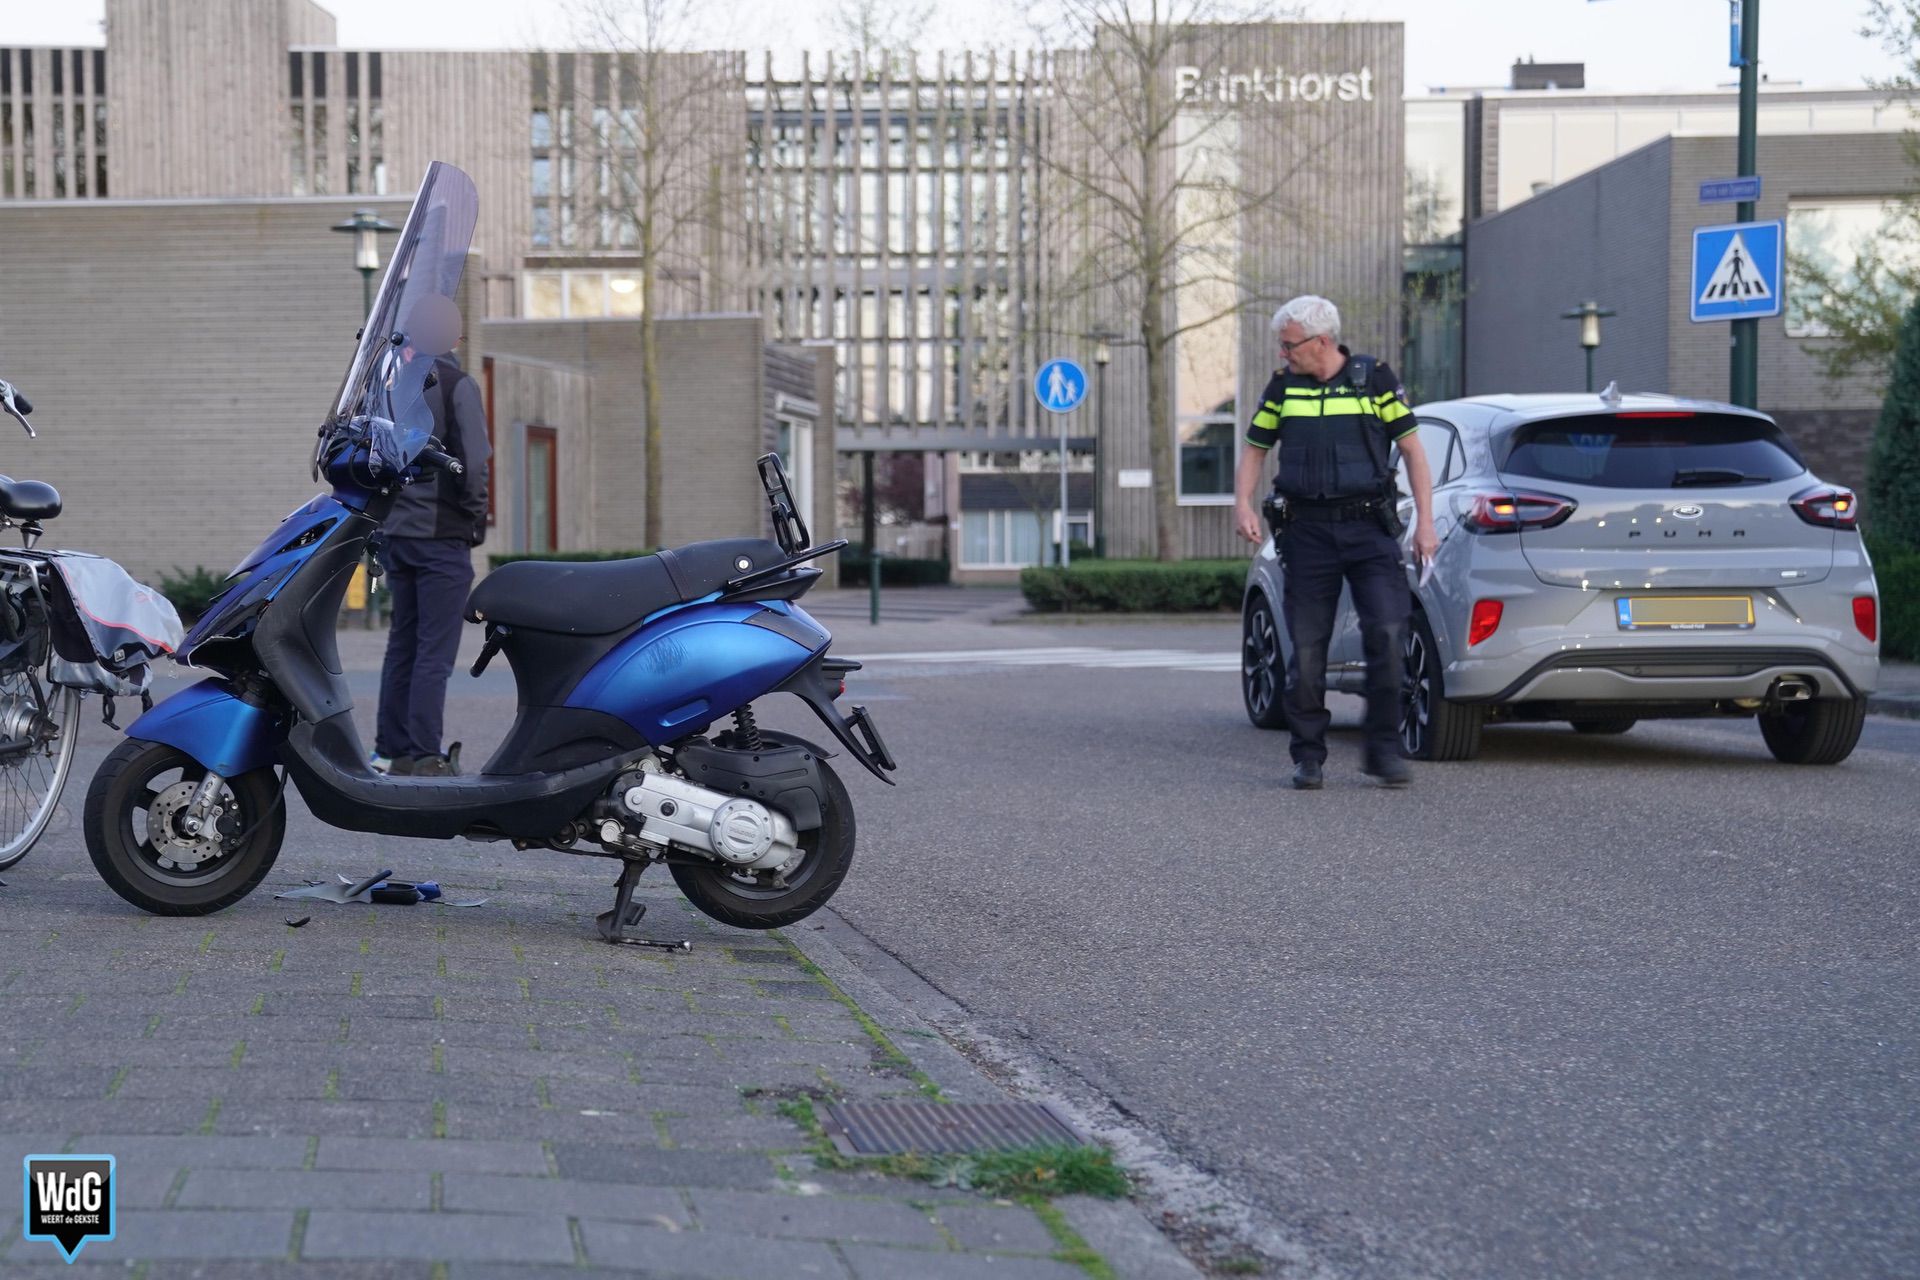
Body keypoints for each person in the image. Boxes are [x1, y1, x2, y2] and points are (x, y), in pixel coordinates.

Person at [1233, 295, 1437, 790]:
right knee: (1306, 647)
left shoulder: (1375, 381)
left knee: (1388, 636)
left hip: (1369, 531)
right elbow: (1256, 447)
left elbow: (1413, 451)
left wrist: (1425, 524)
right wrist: (1241, 503)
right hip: (1307, 533)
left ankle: (1382, 750)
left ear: (1320, 342)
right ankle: (1308, 756)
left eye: (1289, 345)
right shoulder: (1284, 388)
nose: (1283, 354)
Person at [373, 293, 491, 776]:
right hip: (441, 537)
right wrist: (473, 518)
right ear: (455, 338)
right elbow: (475, 464)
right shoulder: (457, 384)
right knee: (434, 654)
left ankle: (389, 751)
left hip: (396, 534)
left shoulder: (391, 386)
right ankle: (424, 755)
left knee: (402, 645)